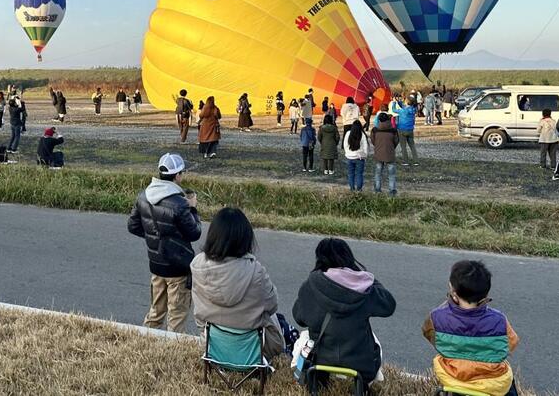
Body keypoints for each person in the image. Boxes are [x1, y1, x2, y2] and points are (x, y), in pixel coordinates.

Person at [292, 238, 395, 387]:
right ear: (349, 258)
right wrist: (367, 278)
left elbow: (299, 318)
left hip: (320, 358)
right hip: (360, 361)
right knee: (374, 340)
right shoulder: (363, 289)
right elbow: (389, 306)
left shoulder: (311, 284)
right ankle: (362, 386)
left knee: (305, 337)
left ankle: (319, 381)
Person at [191, 207, 287, 359]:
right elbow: (273, 304)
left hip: (213, 344)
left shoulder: (197, 265)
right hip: (253, 349)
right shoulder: (256, 272)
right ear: (245, 238)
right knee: (276, 318)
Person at [127, 153, 202, 334]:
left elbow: (133, 226)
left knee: (155, 312)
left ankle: (146, 343)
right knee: (176, 315)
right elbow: (194, 233)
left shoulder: (143, 196)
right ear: (177, 176)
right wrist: (193, 208)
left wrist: (153, 237)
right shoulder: (179, 203)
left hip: (156, 263)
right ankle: (172, 351)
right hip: (178, 267)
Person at [423, 260, 519, 396]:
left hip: (455, 378)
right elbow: (511, 344)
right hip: (492, 384)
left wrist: (450, 302)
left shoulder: (437, 317)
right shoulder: (499, 320)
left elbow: (428, 333)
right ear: (486, 295)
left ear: (453, 292)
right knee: (508, 381)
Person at [371, 112, 399, 196]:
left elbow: (373, 141)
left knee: (378, 173)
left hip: (378, 154)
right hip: (390, 154)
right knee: (391, 174)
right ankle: (392, 191)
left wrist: (378, 146)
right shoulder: (393, 130)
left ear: (379, 120)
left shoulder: (375, 130)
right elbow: (396, 141)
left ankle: (377, 190)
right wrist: (391, 147)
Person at [344, 122, 369, 191]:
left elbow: (345, 145)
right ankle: (359, 189)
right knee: (359, 174)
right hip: (359, 157)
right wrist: (365, 155)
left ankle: (352, 188)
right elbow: (365, 147)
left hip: (349, 157)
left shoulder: (348, 133)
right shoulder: (362, 134)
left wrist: (347, 153)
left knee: (351, 174)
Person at [393, 97, 418, 166]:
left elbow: (393, 110)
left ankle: (405, 161)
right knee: (412, 145)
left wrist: (394, 103)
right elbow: (403, 106)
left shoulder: (402, 111)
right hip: (410, 129)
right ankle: (416, 161)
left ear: (407, 103)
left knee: (403, 146)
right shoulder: (413, 109)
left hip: (402, 129)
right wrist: (398, 102)